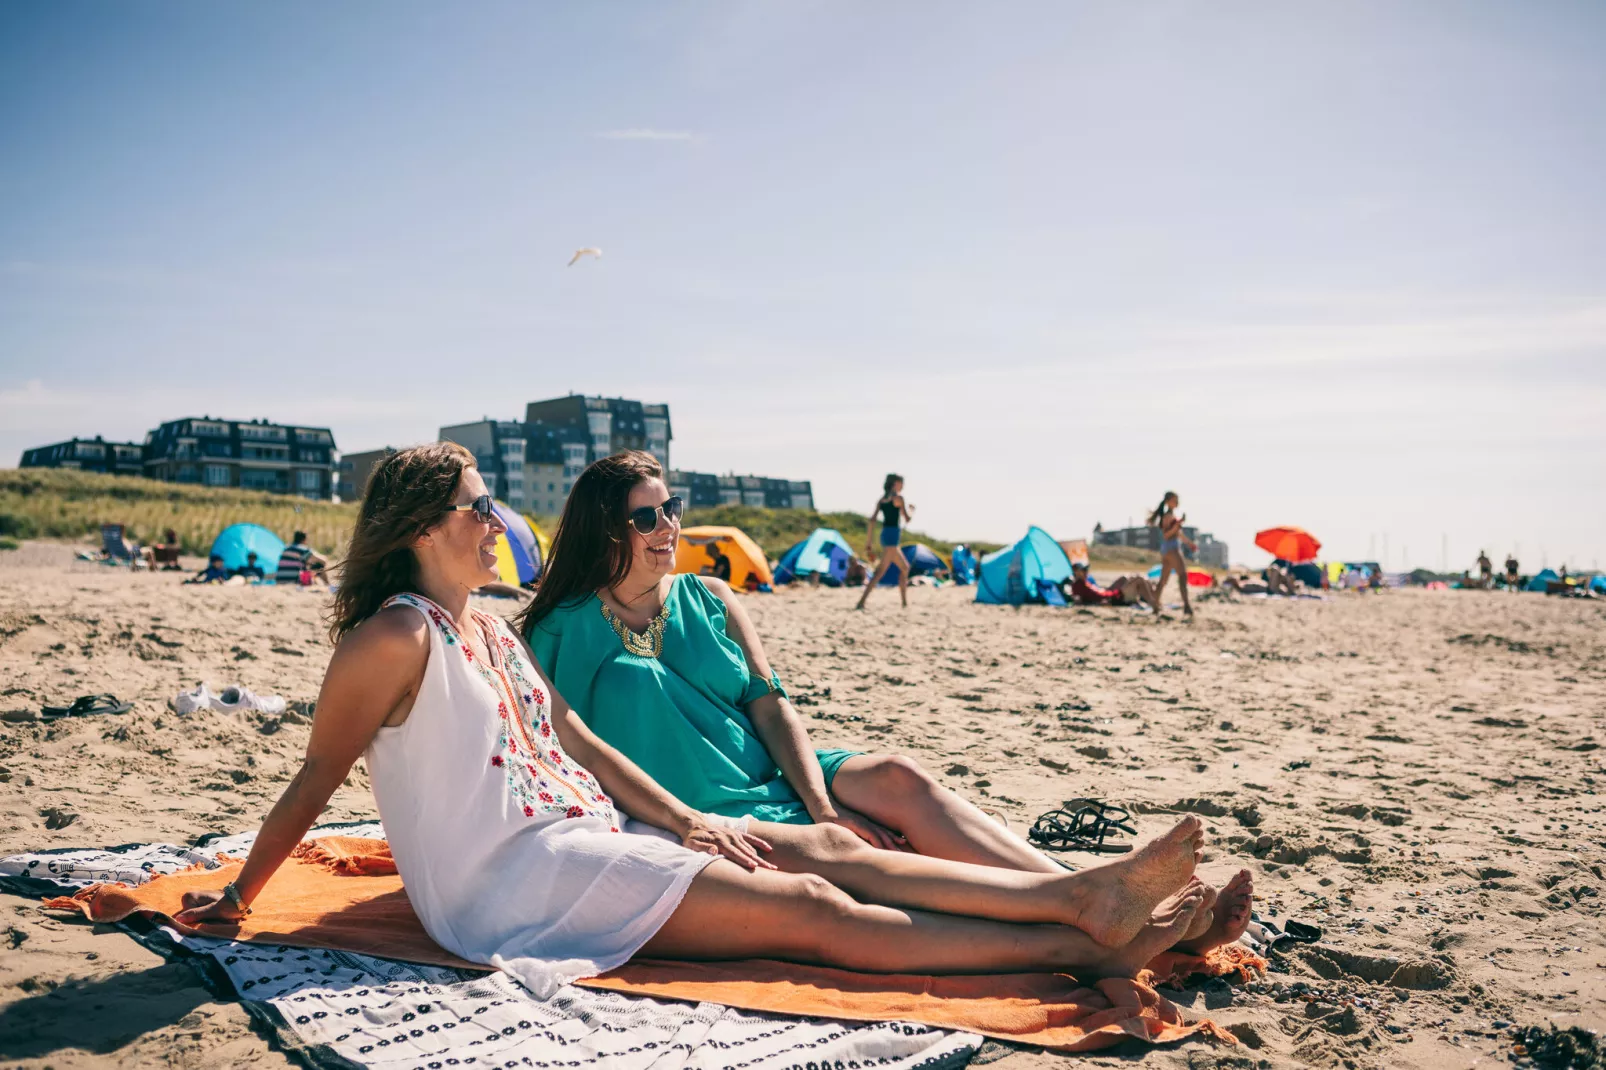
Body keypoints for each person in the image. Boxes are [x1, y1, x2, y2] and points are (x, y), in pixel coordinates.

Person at [173, 442, 1249, 998]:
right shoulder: (395, 637)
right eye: (478, 505)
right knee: (820, 904)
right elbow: (313, 780)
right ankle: (1080, 934)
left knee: (826, 885)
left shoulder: (485, 627)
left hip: (575, 838)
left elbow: (577, 745)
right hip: (508, 885)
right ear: (421, 526)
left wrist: (681, 824)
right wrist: (239, 892)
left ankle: (1089, 927)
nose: (496, 521)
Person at [856, 474, 914, 609]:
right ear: (895, 484)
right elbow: (907, 518)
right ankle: (861, 602)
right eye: (901, 483)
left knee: (905, 568)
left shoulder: (882, 500)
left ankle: (904, 603)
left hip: (886, 535)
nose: (903, 486)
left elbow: (872, 520)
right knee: (880, 571)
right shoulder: (899, 499)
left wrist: (869, 542)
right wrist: (911, 510)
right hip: (892, 537)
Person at [1148, 492, 1196, 617]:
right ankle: (1186, 605)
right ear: (1169, 501)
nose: (1177, 502)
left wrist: (1189, 543)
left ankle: (1155, 605)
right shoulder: (1167, 516)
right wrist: (1179, 524)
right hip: (1171, 548)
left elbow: (1178, 534)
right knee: (1182, 575)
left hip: (1168, 549)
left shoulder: (1171, 516)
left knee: (1163, 579)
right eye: (1175, 500)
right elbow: (1166, 534)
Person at [1062, 563, 1157, 611]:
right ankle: (1153, 603)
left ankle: (1151, 599)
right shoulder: (1078, 585)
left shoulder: (1083, 582)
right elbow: (1078, 601)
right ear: (1077, 572)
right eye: (1084, 570)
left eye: (1086, 570)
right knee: (1139, 579)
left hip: (1109, 594)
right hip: (1115, 598)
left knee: (1128, 577)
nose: (1087, 572)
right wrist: (1098, 604)